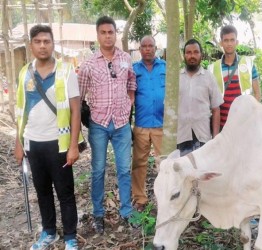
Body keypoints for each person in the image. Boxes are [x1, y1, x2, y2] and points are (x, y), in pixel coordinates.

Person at [14, 24, 82, 250]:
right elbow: (20, 110)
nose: (43, 46)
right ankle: (49, 232)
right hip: (33, 143)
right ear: (31, 45)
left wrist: (74, 146)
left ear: (53, 44)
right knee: (42, 191)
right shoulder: (25, 73)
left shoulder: (66, 71)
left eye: (47, 41)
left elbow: (75, 109)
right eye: (38, 41)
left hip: (59, 143)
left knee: (65, 193)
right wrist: (18, 142)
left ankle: (70, 236)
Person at [78, 16, 136, 233]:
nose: (107, 36)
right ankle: (98, 214)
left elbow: (131, 84)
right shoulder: (89, 64)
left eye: (111, 32)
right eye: (103, 32)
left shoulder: (126, 59)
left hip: (121, 125)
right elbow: (79, 95)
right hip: (99, 125)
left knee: (123, 169)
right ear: (98, 35)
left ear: (115, 34)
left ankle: (127, 212)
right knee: (98, 170)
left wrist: (127, 106)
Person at [131, 35, 166, 212]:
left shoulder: (165, 68)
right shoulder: (134, 69)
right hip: (142, 124)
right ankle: (140, 198)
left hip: (162, 124)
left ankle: (166, 197)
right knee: (139, 163)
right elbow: (129, 96)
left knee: (164, 163)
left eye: (150, 46)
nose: (147, 49)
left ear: (155, 48)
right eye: (144, 46)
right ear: (140, 50)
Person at [208, 25, 261, 130]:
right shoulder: (213, 68)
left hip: (245, 125)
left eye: (232, 40)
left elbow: (257, 94)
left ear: (237, 42)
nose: (229, 44)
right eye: (226, 40)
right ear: (221, 43)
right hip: (223, 127)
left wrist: (251, 116)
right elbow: (211, 101)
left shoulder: (248, 64)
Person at [177, 39, 223, 156]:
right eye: (188, 52)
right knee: (183, 172)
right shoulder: (176, 78)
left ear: (201, 55)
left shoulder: (209, 77)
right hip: (181, 137)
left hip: (203, 137)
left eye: (196, 52)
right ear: (184, 55)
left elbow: (216, 109)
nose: (192, 56)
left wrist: (215, 138)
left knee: (201, 173)